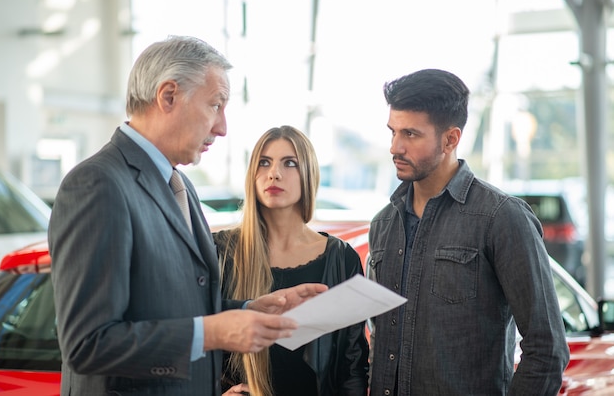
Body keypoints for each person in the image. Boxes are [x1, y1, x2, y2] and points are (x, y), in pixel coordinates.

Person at [48, 36, 327, 396]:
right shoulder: (97, 184)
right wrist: (214, 333)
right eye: (215, 105)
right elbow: (88, 343)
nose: (222, 127)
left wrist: (249, 310)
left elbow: (170, 305)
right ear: (168, 97)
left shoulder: (181, 186)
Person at [366, 69, 570, 395]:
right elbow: (380, 338)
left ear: (451, 139)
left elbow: (547, 348)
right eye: (392, 132)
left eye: (411, 134)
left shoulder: (501, 218)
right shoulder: (383, 225)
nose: (395, 147)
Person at [213, 125, 369, 396]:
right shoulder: (221, 250)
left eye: (290, 163)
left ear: (308, 174)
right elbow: (196, 337)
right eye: (264, 162)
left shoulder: (341, 259)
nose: (274, 173)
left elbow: (352, 366)